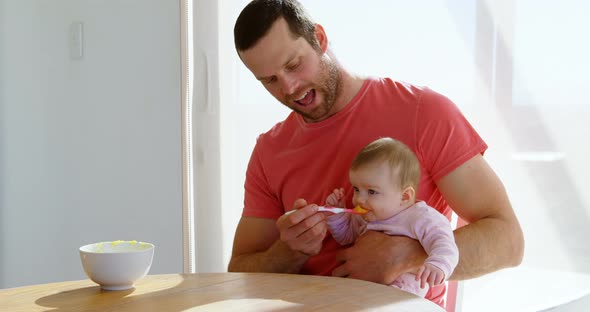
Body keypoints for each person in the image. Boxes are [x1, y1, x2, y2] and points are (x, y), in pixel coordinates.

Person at [228, 0, 524, 307]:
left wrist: (404, 256)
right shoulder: (269, 151)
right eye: (270, 80)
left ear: (320, 38)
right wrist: (288, 252)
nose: (289, 87)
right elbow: (239, 272)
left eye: (293, 65)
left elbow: (508, 241)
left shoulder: (424, 113)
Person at [324, 137, 458, 297]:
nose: (359, 199)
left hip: (403, 292)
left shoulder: (422, 217)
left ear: (405, 197)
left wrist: (439, 264)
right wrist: (337, 213)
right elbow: (345, 236)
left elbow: (445, 243)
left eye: (371, 192)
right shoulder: (367, 214)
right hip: (363, 290)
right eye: (356, 189)